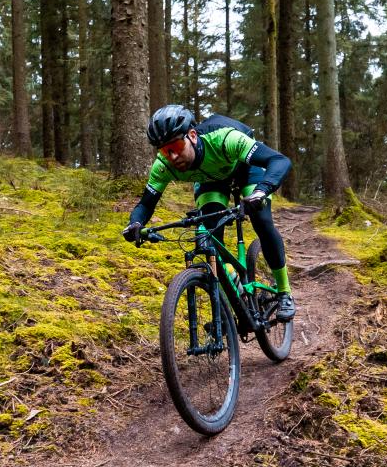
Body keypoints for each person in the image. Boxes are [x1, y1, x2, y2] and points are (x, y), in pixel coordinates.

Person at [122, 104, 296, 320]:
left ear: (192, 136)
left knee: (261, 219)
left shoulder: (225, 139)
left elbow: (279, 160)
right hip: (211, 182)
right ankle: (231, 288)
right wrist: (135, 224)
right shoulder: (163, 166)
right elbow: (146, 204)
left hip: (246, 169)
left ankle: (284, 292)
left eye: (176, 146)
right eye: (166, 151)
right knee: (208, 237)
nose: (173, 156)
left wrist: (261, 192)